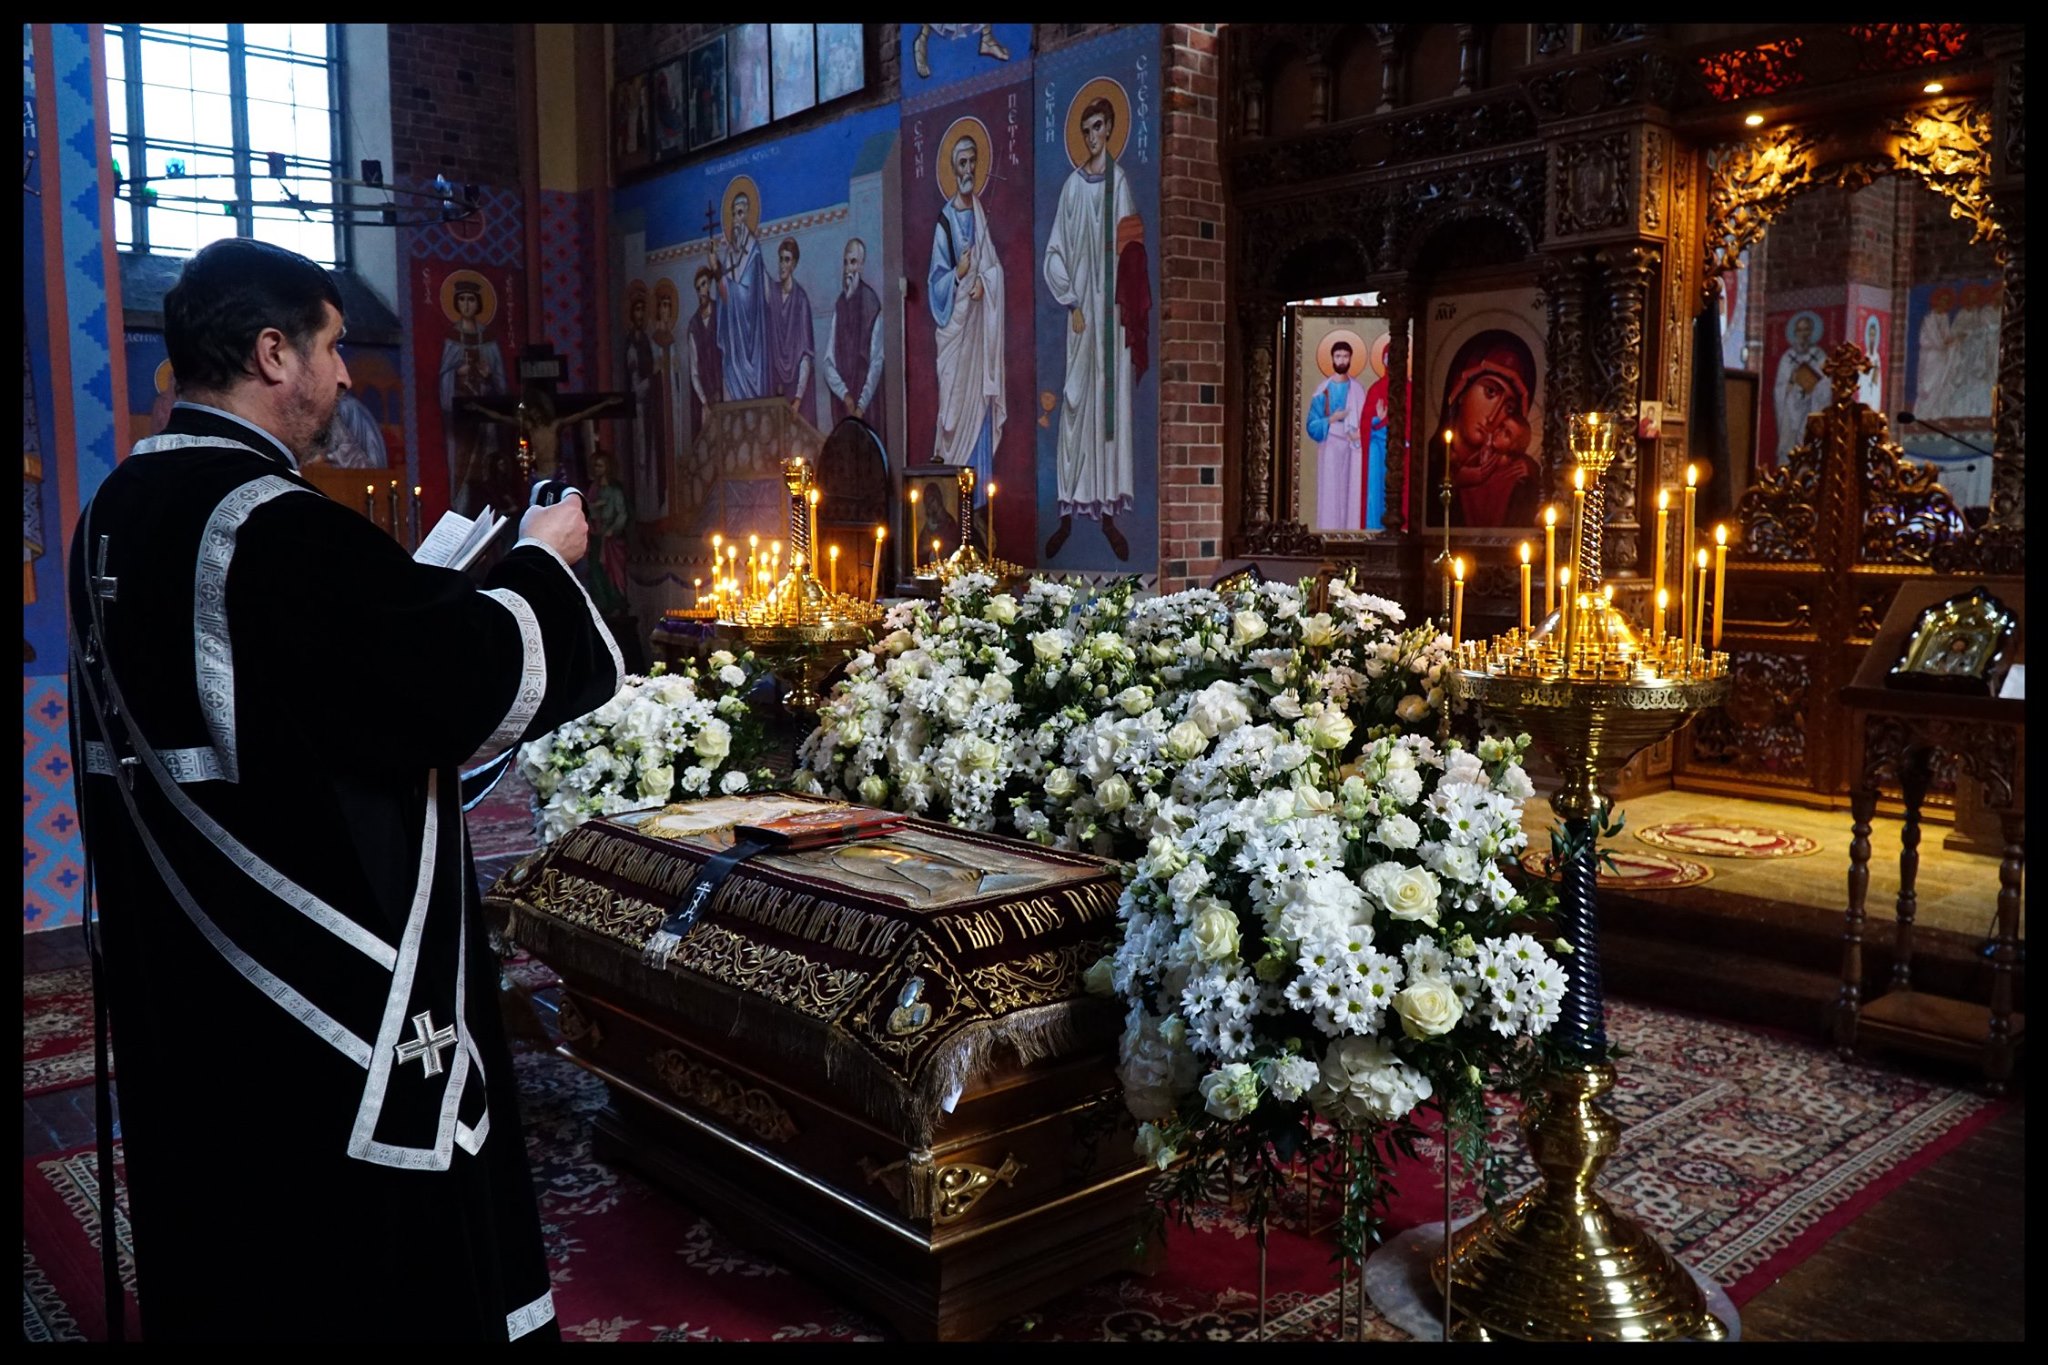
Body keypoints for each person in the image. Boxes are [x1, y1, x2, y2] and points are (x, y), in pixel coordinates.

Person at [65, 238, 623, 1342]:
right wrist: (541, 562)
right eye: (329, 347)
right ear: (273, 353)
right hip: (306, 976)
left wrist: (406, 609)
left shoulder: (116, 507)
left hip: (179, 951)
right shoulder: (274, 524)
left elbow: (308, 691)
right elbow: (446, 682)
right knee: (332, 1237)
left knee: (219, 1201)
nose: (344, 373)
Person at [1043, 95, 1148, 561]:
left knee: (1110, 414)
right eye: (1085, 130)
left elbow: (1133, 250)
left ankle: (1107, 518)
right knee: (1074, 404)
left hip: (1112, 317)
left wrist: (1127, 300)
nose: (1091, 137)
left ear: (1110, 129)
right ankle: (1067, 515)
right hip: (1082, 317)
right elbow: (1054, 253)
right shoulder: (1071, 187)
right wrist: (1071, 299)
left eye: (1098, 127)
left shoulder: (1118, 183)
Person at [927, 128, 1006, 524]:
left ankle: (977, 516)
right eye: (962, 163)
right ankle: (954, 514)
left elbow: (994, 269)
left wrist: (984, 285)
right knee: (952, 413)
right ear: (953, 168)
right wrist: (959, 275)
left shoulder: (979, 213)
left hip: (979, 336)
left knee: (979, 413)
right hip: (955, 336)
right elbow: (934, 285)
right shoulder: (944, 222)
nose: (969, 169)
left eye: (974, 162)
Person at [1430, 330, 1540, 529]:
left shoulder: (1519, 478)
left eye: (1509, 408)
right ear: (1461, 390)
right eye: (1490, 391)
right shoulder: (1431, 463)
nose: (1493, 417)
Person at [438, 277, 508, 517]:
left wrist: (489, 376)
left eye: (471, 300)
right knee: (462, 464)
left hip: (485, 416)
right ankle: (461, 510)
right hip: (461, 418)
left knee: (487, 463)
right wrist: (456, 374)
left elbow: (501, 383)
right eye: (462, 300)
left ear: (478, 303)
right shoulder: (451, 338)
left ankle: (488, 511)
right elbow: (443, 378)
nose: (467, 304)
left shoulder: (488, 339)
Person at [712, 186, 771, 400]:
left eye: (739, 213)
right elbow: (725, 298)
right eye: (733, 215)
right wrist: (718, 271)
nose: (736, 220)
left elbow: (748, 298)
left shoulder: (754, 252)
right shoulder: (729, 253)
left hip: (751, 342)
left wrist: (718, 273)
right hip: (734, 343)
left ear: (746, 215)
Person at [824, 237, 886, 438]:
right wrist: (845, 395)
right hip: (844, 407)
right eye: (845, 262)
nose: (847, 269)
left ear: (861, 265)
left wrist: (860, 405)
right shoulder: (840, 305)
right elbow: (828, 362)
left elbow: (876, 362)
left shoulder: (871, 304)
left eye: (853, 262)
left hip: (866, 409)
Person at [1305, 337, 1364, 532]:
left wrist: (1360, 433)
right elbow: (1312, 425)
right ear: (1332, 358)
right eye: (1338, 356)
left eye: (1345, 356)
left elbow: (1365, 420)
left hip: (1351, 445)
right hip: (1330, 441)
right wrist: (1332, 419)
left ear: (1351, 359)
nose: (1341, 360)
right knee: (1330, 489)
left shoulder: (1357, 389)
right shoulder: (1323, 390)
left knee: (1349, 489)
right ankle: (1329, 532)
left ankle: (1350, 532)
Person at [766, 236, 817, 424]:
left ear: (794, 264)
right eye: (780, 259)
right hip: (776, 385)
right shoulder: (772, 293)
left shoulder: (801, 300)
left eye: (786, 260)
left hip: (796, 388)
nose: (782, 265)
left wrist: (798, 398)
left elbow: (806, 354)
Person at [622, 281, 658, 519]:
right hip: (637, 406)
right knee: (641, 456)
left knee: (650, 454)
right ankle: (642, 511)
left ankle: (650, 508)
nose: (640, 314)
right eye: (637, 310)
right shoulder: (631, 344)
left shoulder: (646, 340)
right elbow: (634, 379)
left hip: (649, 406)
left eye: (643, 310)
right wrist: (649, 383)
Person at [1772, 312, 1827, 464]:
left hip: (1810, 409)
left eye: (1806, 330)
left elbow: (1826, 386)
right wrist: (1792, 380)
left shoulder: (1820, 356)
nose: (1803, 334)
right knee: (1788, 449)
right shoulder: (1787, 358)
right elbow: (1780, 388)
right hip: (1790, 411)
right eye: (1800, 330)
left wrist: (1812, 386)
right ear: (1795, 333)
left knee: (1807, 447)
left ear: (1811, 332)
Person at [584, 446, 631, 618]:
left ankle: (616, 603)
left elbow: (622, 513)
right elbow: (586, 509)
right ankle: (602, 604)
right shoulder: (594, 489)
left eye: (601, 465)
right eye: (595, 466)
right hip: (596, 535)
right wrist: (594, 507)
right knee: (596, 571)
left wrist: (613, 529)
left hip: (611, 539)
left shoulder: (615, 490)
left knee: (613, 573)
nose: (598, 469)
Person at [685, 266, 723, 438]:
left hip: (722, 390)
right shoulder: (694, 326)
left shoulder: (720, 313)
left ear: (710, 285)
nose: (702, 291)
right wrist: (704, 401)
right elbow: (694, 370)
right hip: (705, 396)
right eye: (698, 287)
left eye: (704, 284)